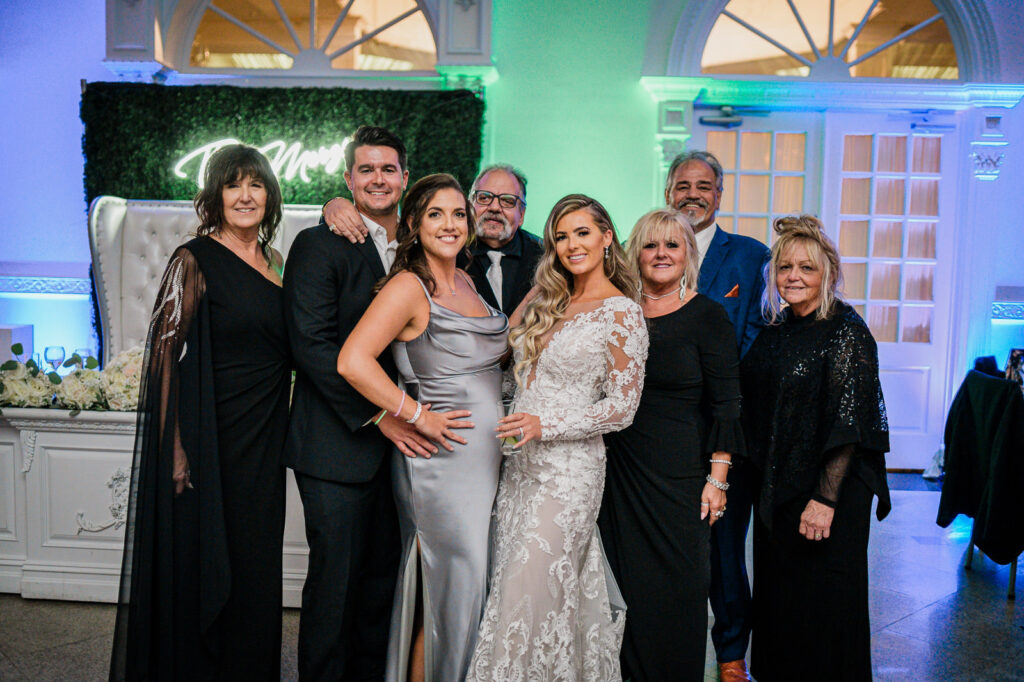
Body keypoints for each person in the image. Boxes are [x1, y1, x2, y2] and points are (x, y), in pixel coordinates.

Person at [110, 144, 290, 681]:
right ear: (215, 195)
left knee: (257, 565)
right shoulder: (193, 259)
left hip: (265, 440)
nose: (245, 195)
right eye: (233, 185)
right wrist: (175, 448)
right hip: (213, 438)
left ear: (269, 195)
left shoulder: (278, 262)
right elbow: (164, 356)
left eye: (255, 184)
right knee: (212, 566)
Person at [466, 194, 649, 681]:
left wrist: (544, 425)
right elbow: (516, 381)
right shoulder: (550, 300)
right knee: (521, 588)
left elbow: (622, 408)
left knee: (528, 589)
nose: (572, 245)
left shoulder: (622, 313)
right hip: (519, 469)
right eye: (561, 237)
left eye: (583, 232)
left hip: (569, 475)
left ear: (607, 237)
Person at [337, 173, 507, 682]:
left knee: (464, 592)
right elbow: (352, 361)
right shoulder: (409, 286)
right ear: (413, 223)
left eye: (459, 214)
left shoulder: (469, 282)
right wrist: (416, 415)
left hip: (486, 464)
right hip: (441, 467)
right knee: (452, 591)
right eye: (436, 214)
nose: (450, 224)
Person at [285, 126, 436, 680]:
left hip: (401, 452)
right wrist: (380, 415)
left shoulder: (417, 249)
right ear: (348, 179)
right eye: (365, 169)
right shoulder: (319, 243)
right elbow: (311, 343)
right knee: (335, 586)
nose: (378, 178)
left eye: (388, 169)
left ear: (403, 177)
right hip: (336, 447)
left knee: (381, 586)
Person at [740, 215, 891, 681]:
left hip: (830, 496)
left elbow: (853, 421)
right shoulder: (777, 330)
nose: (794, 277)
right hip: (781, 493)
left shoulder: (846, 330)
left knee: (825, 609)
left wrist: (824, 501)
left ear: (828, 272)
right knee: (781, 605)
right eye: (785, 268)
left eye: (806, 268)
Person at [599, 208, 743, 681]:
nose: (661, 254)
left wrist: (717, 480)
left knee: (679, 594)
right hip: (617, 474)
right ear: (633, 254)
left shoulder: (708, 315)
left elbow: (726, 402)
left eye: (672, 245)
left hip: (680, 478)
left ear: (688, 254)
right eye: (650, 245)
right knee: (625, 595)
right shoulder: (615, 309)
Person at [665, 150, 768, 681]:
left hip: (727, 428)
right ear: (668, 192)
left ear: (719, 195)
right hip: (662, 433)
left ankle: (731, 658)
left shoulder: (751, 257)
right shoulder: (649, 250)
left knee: (726, 552)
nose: (692, 194)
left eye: (703, 186)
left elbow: (756, 338)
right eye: (682, 184)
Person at [324, 163, 544, 316]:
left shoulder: (545, 255)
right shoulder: (441, 249)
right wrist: (333, 205)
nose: (494, 207)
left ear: (522, 214)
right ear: (468, 205)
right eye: (484, 197)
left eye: (507, 201)